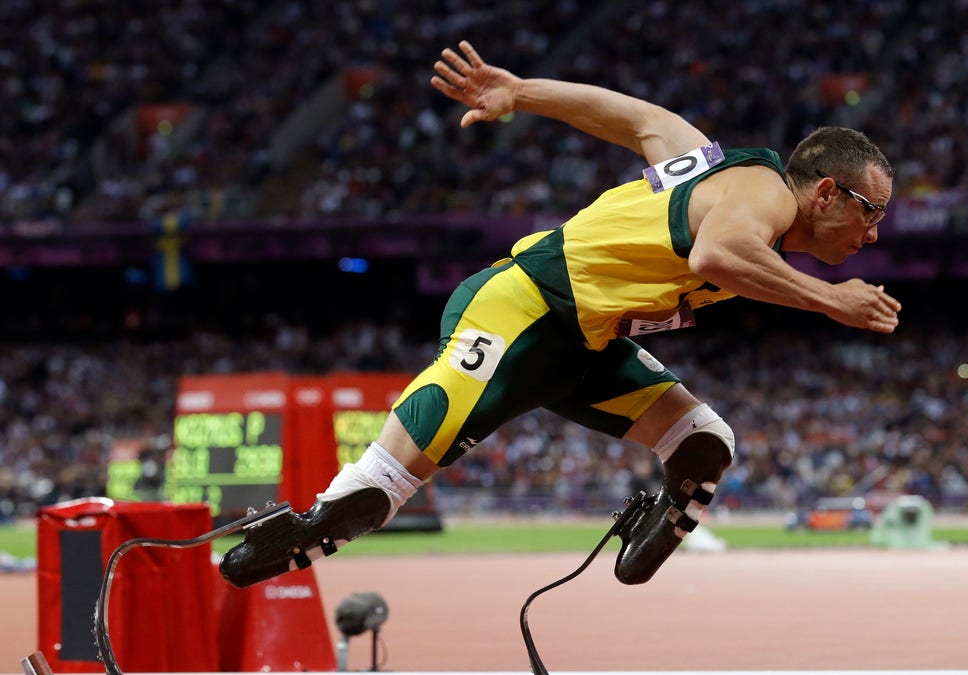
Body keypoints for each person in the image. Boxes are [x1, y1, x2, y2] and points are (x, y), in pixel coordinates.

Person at [219, 40, 901, 588]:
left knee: (703, 441)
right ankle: (302, 527)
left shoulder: (714, 168)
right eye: (870, 212)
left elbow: (638, 119)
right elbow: (719, 255)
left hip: (586, 344)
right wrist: (830, 299)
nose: (872, 234)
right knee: (388, 481)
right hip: (523, 307)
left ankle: (645, 526)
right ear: (825, 194)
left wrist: (521, 93)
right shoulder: (762, 194)